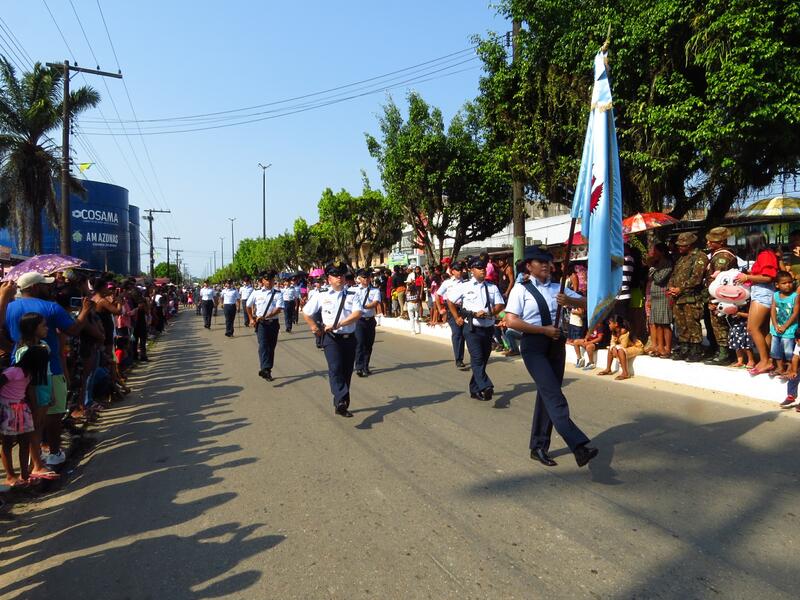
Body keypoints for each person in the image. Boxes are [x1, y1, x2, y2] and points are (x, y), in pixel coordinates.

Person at [504, 247, 598, 468]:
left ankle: (538, 446)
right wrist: (543, 330)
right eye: (540, 261)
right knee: (554, 395)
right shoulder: (521, 289)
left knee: (547, 396)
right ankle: (578, 446)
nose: (546, 264)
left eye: (548, 261)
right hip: (534, 345)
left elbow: (588, 302)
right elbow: (511, 321)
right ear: (529, 265)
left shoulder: (559, 288)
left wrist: (571, 301)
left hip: (556, 345)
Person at [302, 263, 364, 417]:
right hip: (331, 339)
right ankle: (342, 401)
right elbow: (306, 312)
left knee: (347, 371)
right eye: (336, 275)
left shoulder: (353, 294)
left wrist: (338, 324)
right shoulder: (321, 294)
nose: (340, 278)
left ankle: (340, 403)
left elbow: (357, 314)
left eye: (342, 275)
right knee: (335, 368)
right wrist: (313, 327)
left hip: (349, 338)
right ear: (328, 278)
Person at [448, 257, 505, 401]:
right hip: (472, 328)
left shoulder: (491, 287)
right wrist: (456, 317)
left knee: (483, 360)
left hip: (487, 328)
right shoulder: (465, 286)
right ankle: (486, 386)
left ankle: (474, 389)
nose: (483, 270)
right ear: (472, 270)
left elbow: (500, 304)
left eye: (484, 268)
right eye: (479, 268)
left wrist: (489, 312)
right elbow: (450, 300)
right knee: (477, 359)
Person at [736, 232, 778, 375]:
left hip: (763, 293)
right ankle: (768, 359)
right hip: (760, 292)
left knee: (752, 328)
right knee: (763, 329)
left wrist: (747, 276)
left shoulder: (765, 255)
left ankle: (765, 360)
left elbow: (768, 277)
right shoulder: (765, 254)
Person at [667, 232, 709, 362]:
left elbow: (696, 278)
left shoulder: (699, 257)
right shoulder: (681, 259)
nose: (679, 247)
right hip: (679, 298)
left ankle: (696, 349)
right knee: (681, 325)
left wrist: (681, 289)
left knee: (692, 324)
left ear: (690, 245)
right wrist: (671, 288)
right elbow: (674, 276)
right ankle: (685, 348)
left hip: (692, 297)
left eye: (682, 245)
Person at [704, 227, 738, 365]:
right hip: (718, 296)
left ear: (721, 242)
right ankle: (721, 351)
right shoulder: (717, 255)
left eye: (712, 241)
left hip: (720, 297)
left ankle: (725, 354)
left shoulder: (722, 257)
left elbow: (720, 281)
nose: (708, 243)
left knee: (720, 325)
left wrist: (714, 299)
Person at [246, 272, 284, 381]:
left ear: (273, 281)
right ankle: (265, 368)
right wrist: (251, 319)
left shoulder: (278, 293)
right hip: (261, 324)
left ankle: (268, 370)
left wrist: (267, 316)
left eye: (271, 280)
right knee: (263, 345)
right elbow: (248, 305)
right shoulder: (256, 292)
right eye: (266, 280)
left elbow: (279, 308)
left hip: (273, 323)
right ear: (262, 281)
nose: (268, 282)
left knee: (271, 347)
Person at [437, 261, 468, 370]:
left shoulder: (466, 281)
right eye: (457, 270)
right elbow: (437, 294)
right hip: (452, 309)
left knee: (465, 334)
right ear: (452, 271)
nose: (460, 272)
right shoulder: (447, 283)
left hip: (464, 310)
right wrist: (440, 308)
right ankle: (459, 359)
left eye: (461, 270)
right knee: (457, 333)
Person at [646, 243, 674, 358]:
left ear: (662, 252)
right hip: (655, 296)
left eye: (656, 251)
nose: (653, 254)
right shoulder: (657, 264)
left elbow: (659, 278)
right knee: (657, 323)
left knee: (664, 323)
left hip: (663, 295)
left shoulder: (667, 263)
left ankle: (667, 348)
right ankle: (659, 347)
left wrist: (652, 268)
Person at [769, 271, 798, 376]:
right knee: (775, 349)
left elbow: (795, 313)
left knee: (788, 350)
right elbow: (772, 309)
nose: (788, 285)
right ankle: (780, 368)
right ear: (777, 285)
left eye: (790, 282)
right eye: (784, 283)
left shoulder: (795, 296)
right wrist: (775, 325)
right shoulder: (775, 295)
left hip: (789, 329)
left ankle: (790, 368)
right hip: (776, 328)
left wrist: (785, 326)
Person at [597, 316, 644, 380]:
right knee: (610, 348)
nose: (609, 325)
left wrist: (615, 347)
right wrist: (613, 347)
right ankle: (608, 369)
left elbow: (624, 345)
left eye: (610, 323)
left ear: (616, 324)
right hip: (626, 347)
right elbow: (612, 342)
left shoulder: (624, 332)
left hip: (637, 347)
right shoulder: (614, 332)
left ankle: (625, 373)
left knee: (621, 351)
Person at [354, 269, 381, 377]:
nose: (366, 279)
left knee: (368, 345)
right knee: (360, 344)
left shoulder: (375, 290)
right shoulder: (353, 290)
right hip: (359, 321)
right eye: (364, 277)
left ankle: (366, 366)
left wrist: (362, 306)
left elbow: (375, 303)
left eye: (368, 277)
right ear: (359, 279)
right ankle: (359, 367)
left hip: (370, 320)